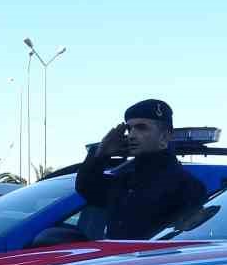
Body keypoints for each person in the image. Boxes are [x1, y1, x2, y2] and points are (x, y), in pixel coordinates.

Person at [75, 98, 207, 239]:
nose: (131, 135)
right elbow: (86, 187)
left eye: (141, 128)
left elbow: (188, 240)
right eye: (129, 129)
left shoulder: (186, 186)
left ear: (164, 136)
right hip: (117, 260)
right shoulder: (125, 181)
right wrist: (101, 154)